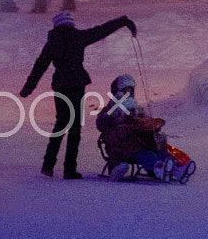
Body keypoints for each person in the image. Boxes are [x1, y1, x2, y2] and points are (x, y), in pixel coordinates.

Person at [19, 9, 137, 178]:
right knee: (74, 127)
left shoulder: (53, 42)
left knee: (60, 124)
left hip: (61, 85)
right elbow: (101, 30)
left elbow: (40, 65)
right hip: (76, 83)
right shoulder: (78, 37)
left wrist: (28, 87)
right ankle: (69, 169)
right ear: (70, 24)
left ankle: (48, 164)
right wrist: (123, 20)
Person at [95, 72, 166, 179]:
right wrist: (116, 116)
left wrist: (150, 125)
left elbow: (144, 121)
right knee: (147, 155)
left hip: (141, 143)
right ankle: (156, 170)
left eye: (131, 90)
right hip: (123, 147)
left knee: (159, 150)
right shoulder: (109, 109)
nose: (129, 93)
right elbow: (101, 123)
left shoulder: (137, 109)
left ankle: (172, 166)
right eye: (125, 91)